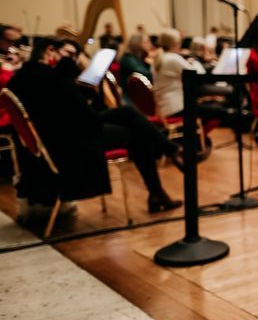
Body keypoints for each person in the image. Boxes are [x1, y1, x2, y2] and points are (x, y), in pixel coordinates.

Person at [7, 37, 182, 214]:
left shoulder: (23, 76)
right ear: (50, 50)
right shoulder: (53, 78)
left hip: (58, 136)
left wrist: (81, 89)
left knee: (127, 113)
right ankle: (160, 182)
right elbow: (87, 117)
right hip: (70, 143)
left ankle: (168, 153)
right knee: (137, 134)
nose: (73, 60)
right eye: (68, 55)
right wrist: (73, 80)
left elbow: (69, 110)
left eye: (75, 56)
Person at [152, 29, 206, 118]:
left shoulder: (158, 58)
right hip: (177, 108)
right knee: (220, 111)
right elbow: (198, 75)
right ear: (176, 43)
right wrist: (194, 62)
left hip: (165, 107)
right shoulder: (173, 58)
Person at [118, 33, 152, 98]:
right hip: (131, 98)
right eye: (146, 42)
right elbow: (146, 74)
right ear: (137, 44)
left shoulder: (138, 57)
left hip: (138, 94)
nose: (150, 44)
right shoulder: (127, 58)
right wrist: (153, 66)